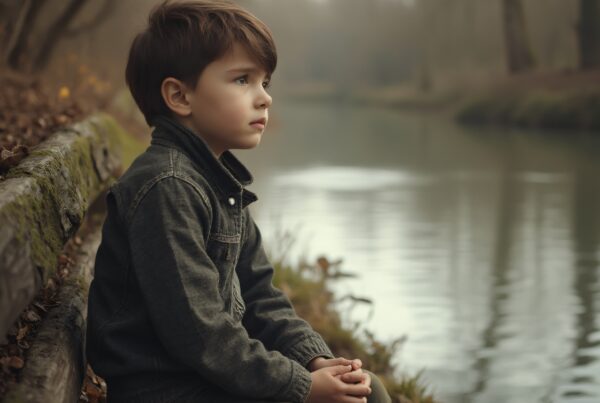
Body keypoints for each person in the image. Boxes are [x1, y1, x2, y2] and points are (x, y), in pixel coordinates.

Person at [85, 1, 392, 402]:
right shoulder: (168, 188)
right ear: (180, 96)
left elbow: (261, 293)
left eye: (265, 83)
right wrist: (300, 387)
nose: (264, 98)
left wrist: (314, 359)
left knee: (366, 388)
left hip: (200, 376)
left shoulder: (215, 182)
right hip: (167, 389)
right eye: (243, 80)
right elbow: (199, 333)